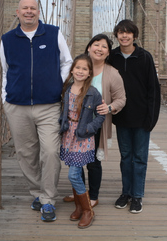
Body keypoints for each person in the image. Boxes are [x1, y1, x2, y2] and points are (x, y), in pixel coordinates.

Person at [0, 0, 73, 222]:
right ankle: (38, 193)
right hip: (17, 106)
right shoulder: (7, 39)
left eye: (33, 8)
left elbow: (67, 62)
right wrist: (5, 98)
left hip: (48, 105)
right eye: (25, 8)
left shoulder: (53, 33)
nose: (29, 11)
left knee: (50, 151)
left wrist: (56, 84)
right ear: (17, 12)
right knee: (26, 154)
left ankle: (48, 200)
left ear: (38, 12)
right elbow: (6, 70)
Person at [62, 34, 126, 207]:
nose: (99, 48)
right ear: (88, 47)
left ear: (108, 53)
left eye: (104, 46)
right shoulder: (77, 69)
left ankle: (93, 196)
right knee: (76, 160)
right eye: (96, 44)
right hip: (73, 125)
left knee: (92, 162)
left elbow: (121, 99)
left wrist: (109, 108)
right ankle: (80, 193)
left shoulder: (112, 73)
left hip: (95, 125)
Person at [108, 19, 161, 214]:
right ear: (116, 35)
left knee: (140, 158)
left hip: (141, 119)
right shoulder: (111, 57)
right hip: (121, 117)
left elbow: (153, 91)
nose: (124, 35)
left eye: (128, 32)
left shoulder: (144, 57)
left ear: (134, 36)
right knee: (125, 157)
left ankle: (137, 196)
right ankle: (126, 193)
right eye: (120, 32)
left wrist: (151, 119)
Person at [59, 54, 106, 229]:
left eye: (84, 69)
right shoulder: (67, 89)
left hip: (83, 136)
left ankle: (87, 211)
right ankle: (78, 207)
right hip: (68, 135)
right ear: (72, 70)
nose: (80, 71)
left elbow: (101, 114)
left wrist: (90, 129)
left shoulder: (93, 93)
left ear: (89, 73)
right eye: (77, 68)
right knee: (75, 174)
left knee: (73, 174)